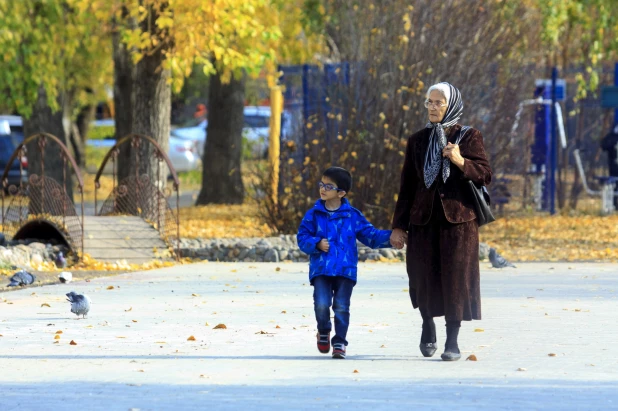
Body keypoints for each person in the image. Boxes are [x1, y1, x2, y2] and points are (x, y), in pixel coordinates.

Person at [390, 82, 492, 361]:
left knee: (456, 279)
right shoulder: (417, 140)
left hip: (458, 223)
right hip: (422, 221)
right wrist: (398, 226)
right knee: (422, 276)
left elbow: (484, 174)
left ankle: (453, 341)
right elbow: (407, 186)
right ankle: (427, 324)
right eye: (429, 102)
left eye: (439, 102)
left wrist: (460, 161)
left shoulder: (469, 137)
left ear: (452, 105)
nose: (432, 107)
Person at [297, 167, 397, 359]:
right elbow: (302, 237)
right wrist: (316, 243)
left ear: (341, 192)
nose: (323, 189)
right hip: (321, 270)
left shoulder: (352, 215)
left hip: (345, 270)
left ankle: (340, 341)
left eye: (328, 186)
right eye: (321, 184)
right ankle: (324, 330)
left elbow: (371, 236)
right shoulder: (313, 215)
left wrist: (392, 238)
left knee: (342, 306)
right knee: (321, 303)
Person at [600, 124, 618, 209]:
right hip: (614, 168)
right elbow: (604, 145)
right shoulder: (612, 136)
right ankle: (614, 205)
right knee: (614, 185)